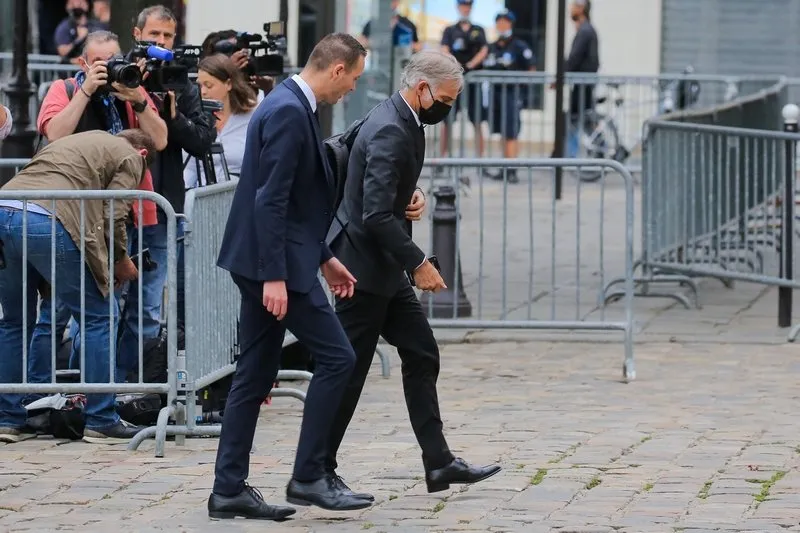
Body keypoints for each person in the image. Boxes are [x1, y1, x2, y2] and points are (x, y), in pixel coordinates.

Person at [324, 49, 502, 500]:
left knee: (422, 353)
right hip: (363, 270)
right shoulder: (390, 128)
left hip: (382, 268)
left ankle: (438, 463)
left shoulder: (401, 118)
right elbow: (376, 215)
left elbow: (384, 189)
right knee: (348, 373)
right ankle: (316, 471)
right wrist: (419, 263)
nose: (449, 106)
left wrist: (414, 193)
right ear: (422, 89)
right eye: (446, 98)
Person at [209, 33, 370, 520]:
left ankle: (228, 490)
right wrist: (274, 276)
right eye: (354, 79)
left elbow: (294, 201)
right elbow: (270, 199)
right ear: (337, 69)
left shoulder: (290, 105)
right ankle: (308, 475)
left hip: (274, 260)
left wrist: (324, 256)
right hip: (272, 266)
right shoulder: (285, 110)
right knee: (340, 357)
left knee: (255, 374)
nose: (351, 91)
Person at [0, 129, 156, 444]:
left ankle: (9, 419)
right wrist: (120, 260)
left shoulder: (79, 143)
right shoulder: (130, 156)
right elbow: (113, 211)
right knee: (98, 316)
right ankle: (101, 418)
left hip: (5, 207)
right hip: (46, 217)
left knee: (15, 322)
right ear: (142, 155)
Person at [36, 29, 166, 386]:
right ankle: (39, 393)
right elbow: (56, 134)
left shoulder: (130, 91)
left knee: (104, 314)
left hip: (117, 219)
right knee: (56, 313)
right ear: (83, 63)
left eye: (114, 61)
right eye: (100, 63)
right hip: (68, 219)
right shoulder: (63, 90)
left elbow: (160, 140)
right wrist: (87, 90)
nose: (109, 69)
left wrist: (138, 99)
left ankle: (89, 391)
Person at [117, 5, 216, 378]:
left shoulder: (179, 80)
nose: (160, 43)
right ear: (137, 34)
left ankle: (136, 386)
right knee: (105, 303)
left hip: (160, 206)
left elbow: (203, 140)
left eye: (167, 37)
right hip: (114, 205)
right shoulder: (118, 72)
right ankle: (98, 388)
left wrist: (171, 116)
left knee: (147, 305)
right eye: (154, 35)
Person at [183, 54, 258, 188]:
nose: (203, 92)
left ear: (228, 84)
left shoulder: (253, 116)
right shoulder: (193, 117)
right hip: (202, 198)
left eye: (209, 85)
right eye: (199, 86)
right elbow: (189, 169)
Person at [483, 9, 536, 183]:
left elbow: (531, 69)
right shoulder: (493, 46)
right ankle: (504, 167)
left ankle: (512, 169)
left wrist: (521, 85)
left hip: (512, 94)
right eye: (499, 22)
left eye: (505, 22)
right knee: (501, 131)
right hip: (496, 94)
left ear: (511, 24)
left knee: (511, 132)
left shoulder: (519, 46)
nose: (502, 25)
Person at [440, 0, 489, 163]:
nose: (465, 8)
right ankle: (443, 157)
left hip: (473, 81)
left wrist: (469, 65)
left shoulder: (478, 30)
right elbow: (444, 49)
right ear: (458, 7)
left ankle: (480, 158)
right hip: (453, 82)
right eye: (463, 5)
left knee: (477, 120)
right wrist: (457, 66)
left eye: (468, 5)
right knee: (447, 121)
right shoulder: (450, 30)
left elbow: (484, 50)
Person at [565, 0, 599, 158]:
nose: (570, 9)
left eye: (573, 6)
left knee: (575, 119)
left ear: (581, 9)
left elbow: (574, 58)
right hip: (583, 84)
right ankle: (599, 149)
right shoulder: (586, 29)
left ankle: (569, 157)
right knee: (584, 120)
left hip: (582, 84)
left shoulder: (585, 31)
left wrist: (560, 76)